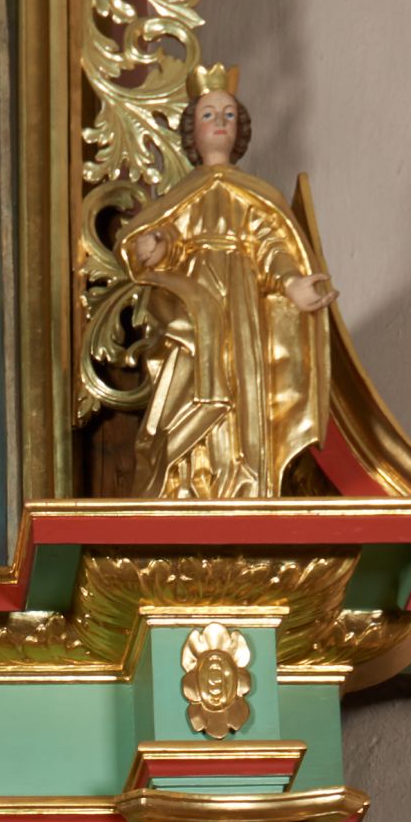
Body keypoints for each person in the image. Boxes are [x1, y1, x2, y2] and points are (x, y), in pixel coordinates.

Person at [115, 65, 337, 498]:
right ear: (192, 131)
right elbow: (162, 237)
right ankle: (182, 479)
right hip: (192, 302)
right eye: (209, 114)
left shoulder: (255, 195)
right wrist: (156, 247)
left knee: (241, 385)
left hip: (241, 305)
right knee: (188, 376)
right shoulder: (182, 194)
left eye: (229, 115)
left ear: (240, 130)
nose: (220, 121)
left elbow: (272, 246)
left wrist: (292, 284)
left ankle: (242, 479)